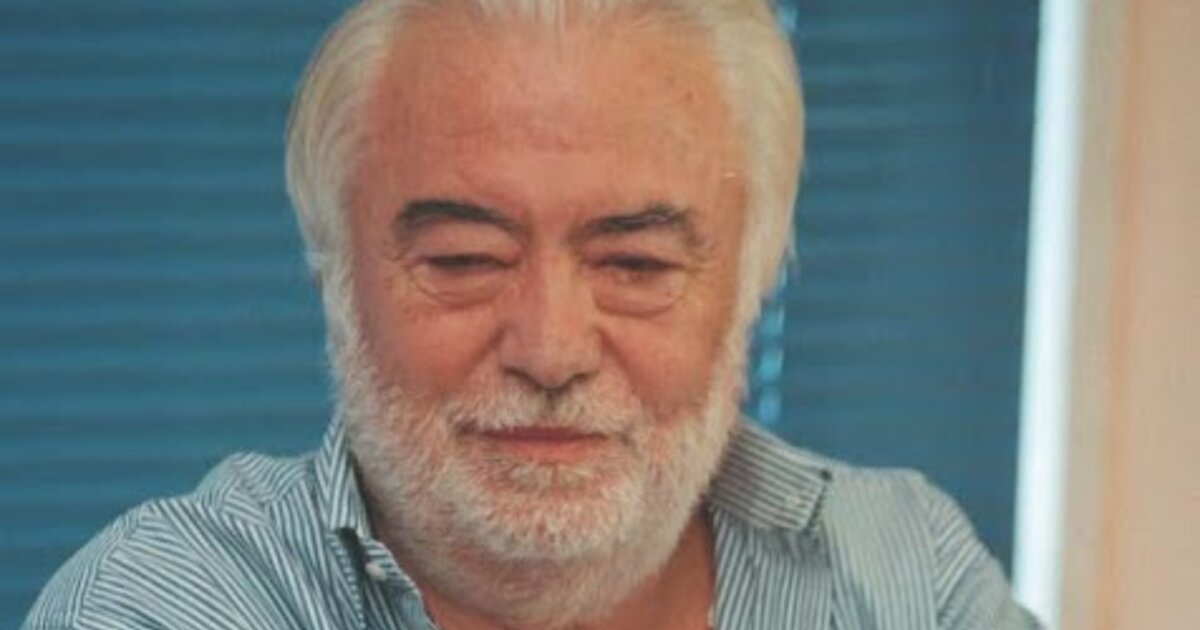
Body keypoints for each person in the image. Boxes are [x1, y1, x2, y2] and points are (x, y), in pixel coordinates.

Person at [24, 0, 1040, 628]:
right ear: (336, 276)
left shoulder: (905, 569)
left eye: (636, 264)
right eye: (465, 260)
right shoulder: (170, 603)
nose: (551, 350)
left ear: (751, 280)